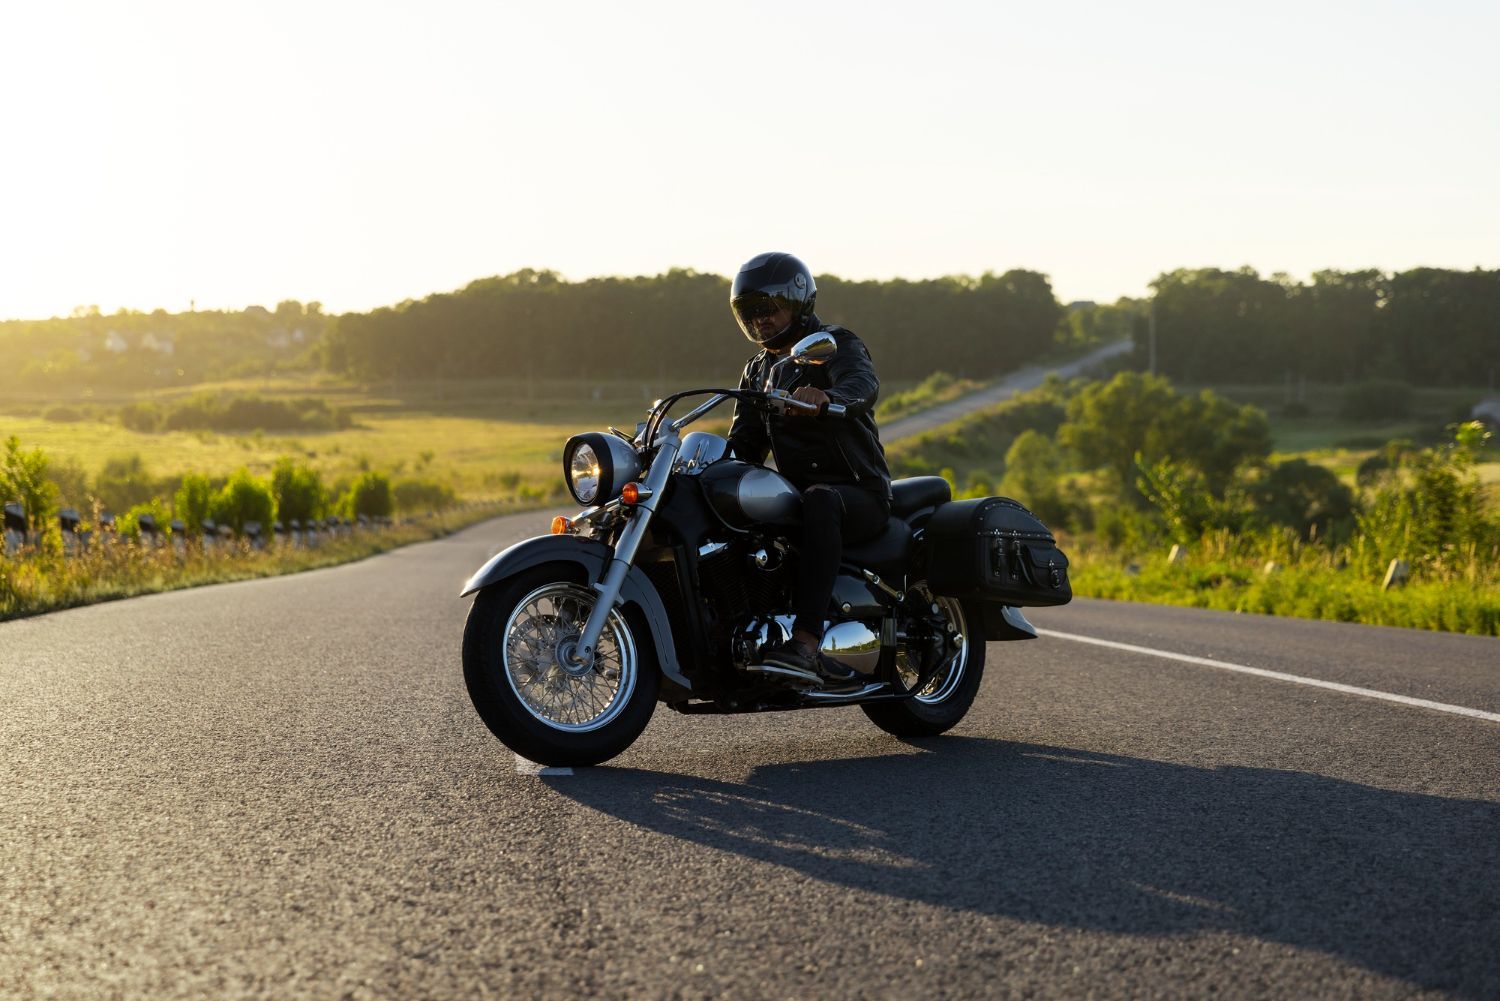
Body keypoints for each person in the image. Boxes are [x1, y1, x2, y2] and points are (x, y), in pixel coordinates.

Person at [725, 252, 893, 681]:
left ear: (798, 303)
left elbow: (861, 383)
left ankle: (805, 642)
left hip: (858, 491)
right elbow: (744, 443)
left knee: (820, 499)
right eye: (750, 311)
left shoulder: (834, 343)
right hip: (801, 498)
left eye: (768, 308)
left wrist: (827, 399)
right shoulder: (759, 369)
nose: (760, 320)